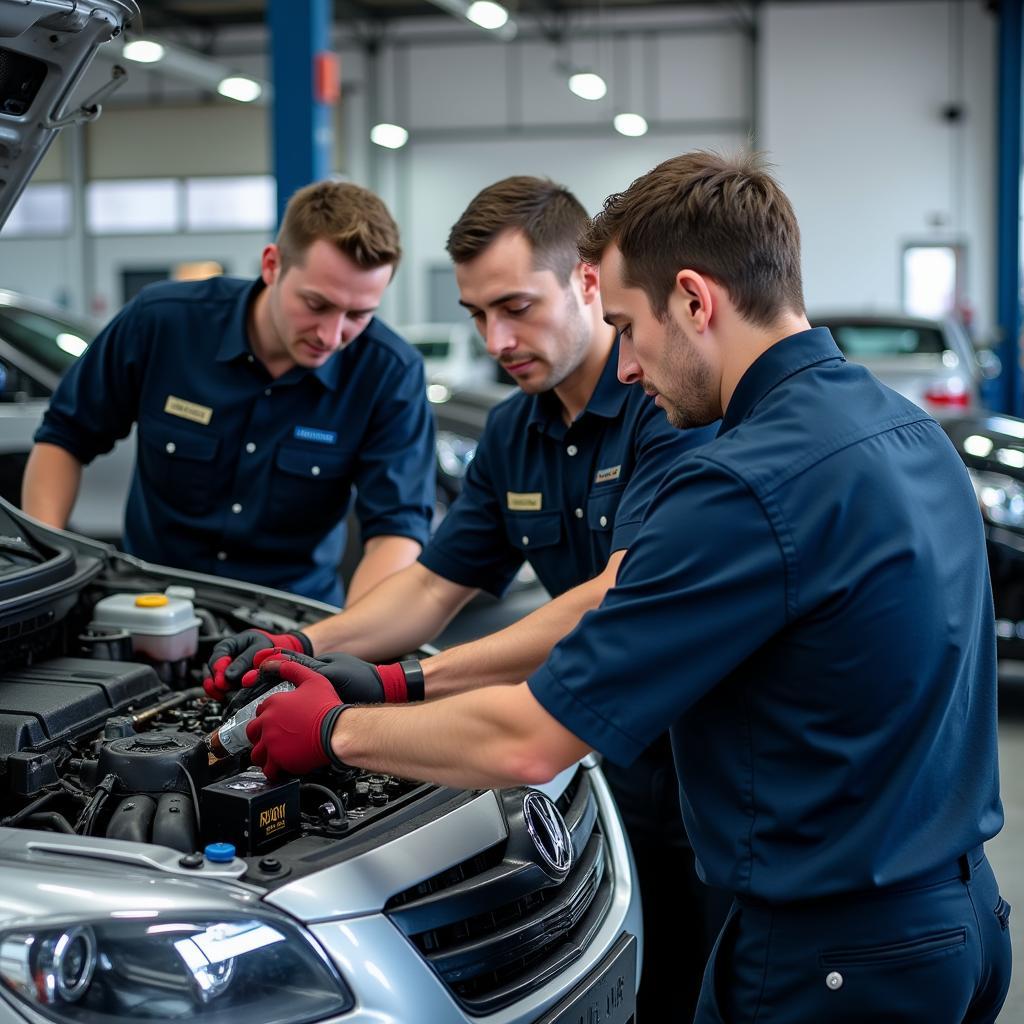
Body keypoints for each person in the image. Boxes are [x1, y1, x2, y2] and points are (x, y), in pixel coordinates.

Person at [243, 152, 1012, 1022]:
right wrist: (324, 645)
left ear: (694, 299)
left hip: (832, 956)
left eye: (630, 328)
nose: (632, 367)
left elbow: (533, 739)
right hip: (960, 920)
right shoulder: (910, 433)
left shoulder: (741, 482)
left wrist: (340, 728)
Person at [207, 175, 723, 1017]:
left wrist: (402, 685)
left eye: (516, 306)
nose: (496, 338)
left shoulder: (659, 405)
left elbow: (609, 596)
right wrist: (305, 646)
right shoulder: (514, 431)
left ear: (586, 283)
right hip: (603, 758)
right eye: (479, 313)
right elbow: (430, 589)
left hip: (706, 773)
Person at [22, 181, 435, 606]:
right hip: (153, 605)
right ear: (272, 266)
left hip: (292, 624)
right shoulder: (162, 323)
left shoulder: (389, 372)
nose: (331, 335)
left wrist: (344, 640)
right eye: (316, 305)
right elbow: (64, 439)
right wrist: (51, 574)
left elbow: (397, 530)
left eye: (358, 314)